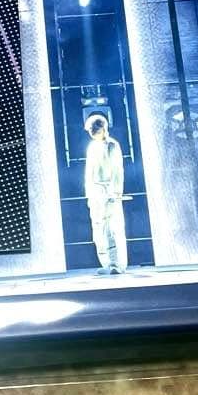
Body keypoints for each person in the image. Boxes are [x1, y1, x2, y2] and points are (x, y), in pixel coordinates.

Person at [83, 113, 127, 275]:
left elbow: (117, 170)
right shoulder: (92, 147)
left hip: (109, 191)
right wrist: (89, 193)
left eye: (94, 129)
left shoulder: (112, 145)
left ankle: (116, 263)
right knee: (98, 229)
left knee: (111, 228)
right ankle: (106, 263)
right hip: (95, 193)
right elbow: (89, 172)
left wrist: (116, 192)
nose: (92, 132)